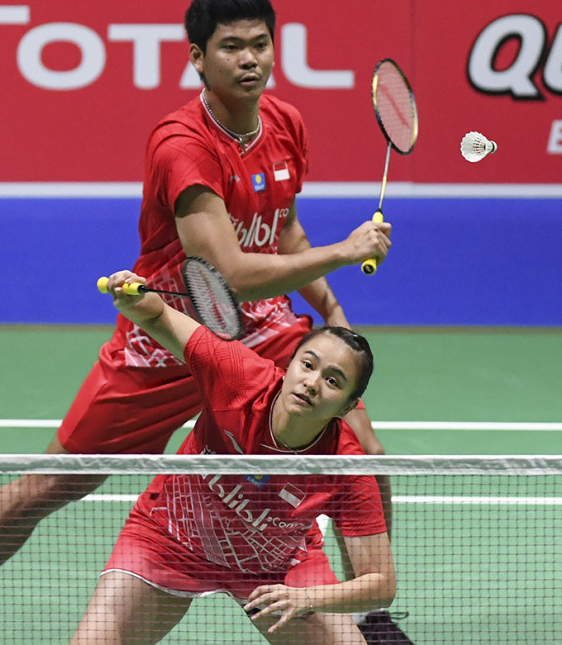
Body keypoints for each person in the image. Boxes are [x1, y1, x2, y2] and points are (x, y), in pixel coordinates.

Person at [0, 0, 410, 644]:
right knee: (56, 481)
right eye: (231, 47)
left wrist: (330, 308)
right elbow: (233, 274)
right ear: (197, 57)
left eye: (260, 44)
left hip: (261, 329)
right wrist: (348, 250)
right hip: (168, 334)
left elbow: (285, 231)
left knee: (365, 452)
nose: (250, 59)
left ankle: (369, 614)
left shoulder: (285, 123)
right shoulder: (182, 144)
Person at [71, 270, 398, 644]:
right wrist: (134, 301)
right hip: (171, 537)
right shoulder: (237, 376)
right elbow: (157, 314)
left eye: (333, 381)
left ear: (348, 407)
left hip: (276, 568)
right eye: (308, 365)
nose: (312, 383)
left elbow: (381, 584)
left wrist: (307, 597)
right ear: (289, 364)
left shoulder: (345, 467)